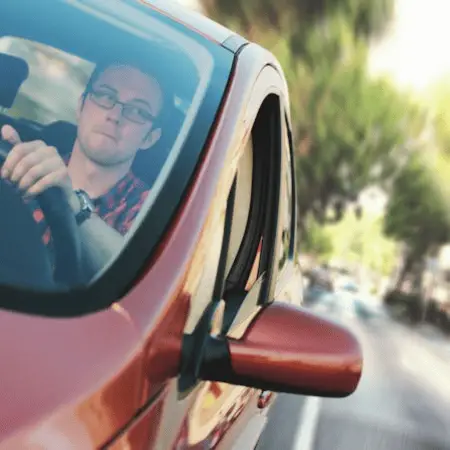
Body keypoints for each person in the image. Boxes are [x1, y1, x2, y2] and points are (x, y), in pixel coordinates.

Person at [0, 62, 164, 277]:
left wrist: (76, 208)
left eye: (138, 111)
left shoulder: (153, 211)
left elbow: (139, 280)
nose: (115, 115)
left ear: (149, 138)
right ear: (81, 105)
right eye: (106, 96)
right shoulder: (25, 162)